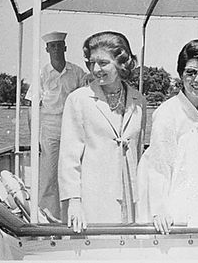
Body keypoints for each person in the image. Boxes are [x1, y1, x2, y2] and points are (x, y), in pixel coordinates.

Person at [137, 39, 198, 234]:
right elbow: (158, 166)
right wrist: (159, 209)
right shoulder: (167, 113)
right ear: (181, 74)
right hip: (177, 197)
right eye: (191, 72)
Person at [58, 31, 146, 232]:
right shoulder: (78, 100)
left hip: (130, 194)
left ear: (121, 63)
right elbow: (68, 158)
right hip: (92, 196)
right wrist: (74, 202)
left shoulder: (138, 100)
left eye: (103, 63)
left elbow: (138, 152)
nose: (95, 69)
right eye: (91, 63)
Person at [25, 31, 86, 219]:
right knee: (49, 176)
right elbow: (32, 106)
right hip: (50, 129)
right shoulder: (42, 74)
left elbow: (86, 100)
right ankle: (48, 218)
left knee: (75, 172)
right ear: (47, 49)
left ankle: (73, 216)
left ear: (65, 48)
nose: (57, 50)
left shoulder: (77, 72)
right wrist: (34, 137)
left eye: (60, 46)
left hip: (73, 129)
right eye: (53, 47)